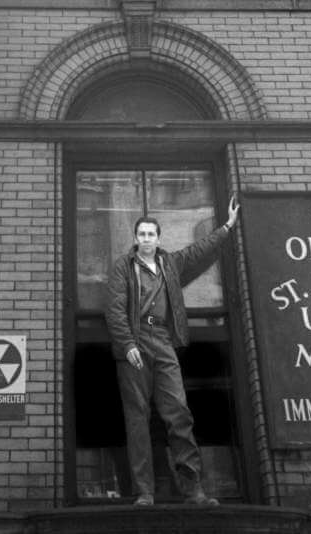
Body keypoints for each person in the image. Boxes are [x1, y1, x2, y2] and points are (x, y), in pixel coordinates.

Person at [104, 195, 240, 507]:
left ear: (158, 238)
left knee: (178, 412)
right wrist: (126, 345)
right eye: (142, 234)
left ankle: (194, 491)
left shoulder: (170, 264)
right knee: (137, 417)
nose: (147, 238)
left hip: (163, 339)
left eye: (151, 234)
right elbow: (114, 310)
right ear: (135, 238)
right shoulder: (122, 268)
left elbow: (198, 251)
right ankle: (145, 492)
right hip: (135, 341)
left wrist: (228, 227)